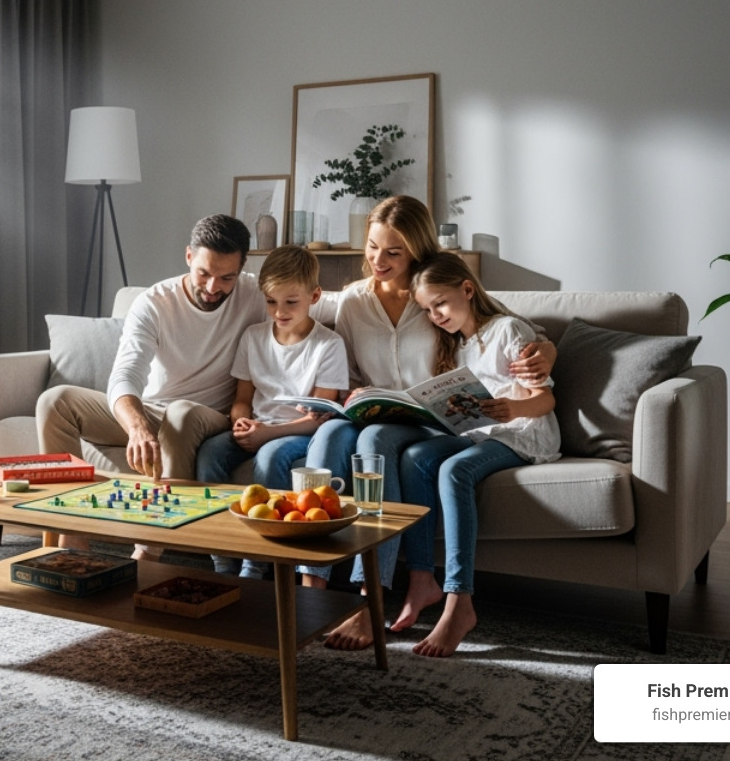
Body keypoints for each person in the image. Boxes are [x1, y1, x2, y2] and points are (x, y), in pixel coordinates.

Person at [299, 195, 556, 649]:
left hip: (432, 421)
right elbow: (347, 373)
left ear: (417, 252)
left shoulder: (433, 295)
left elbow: (504, 330)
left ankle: (371, 595)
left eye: (394, 252)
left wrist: (546, 350)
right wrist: (347, 397)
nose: (379, 260)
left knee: (378, 440)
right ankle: (311, 587)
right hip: (380, 413)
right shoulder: (354, 303)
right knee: (332, 435)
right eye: (373, 247)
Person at [36, 214, 264, 549]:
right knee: (55, 401)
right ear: (189, 256)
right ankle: (73, 536)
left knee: (182, 413)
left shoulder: (257, 294)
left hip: (207, 418)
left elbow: (321, 302)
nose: (213, 287)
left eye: (226, 277)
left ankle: (149, 552)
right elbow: (125, 373)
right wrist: (138, 427)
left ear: (242, 268)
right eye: (204, 273)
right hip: (156, 411)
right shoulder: (155, 302)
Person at [388, 252, 560, 657]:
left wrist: (514, 408)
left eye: (441, 303)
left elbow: (545, 400)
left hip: (523, 434)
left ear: (467, 289)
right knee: (414, 458)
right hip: (483, 433)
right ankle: (420, 579)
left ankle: (459, 602)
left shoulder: (508, 330)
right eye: (428, 310)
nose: (436, 315)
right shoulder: (459, 347)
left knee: (453, 472)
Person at [196, 245, 348, 578]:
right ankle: (221, 555)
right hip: (259, 426)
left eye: (291, 302)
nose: (279, 311)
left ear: (315, 296)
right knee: (210, 453)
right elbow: (242, 398)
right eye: (271, 301)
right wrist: (241, 422)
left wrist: (268, 434)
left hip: (296, 433)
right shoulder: (253, 337)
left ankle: (258, 562)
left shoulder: (328, 345)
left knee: (269, 457)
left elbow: (318, 419)